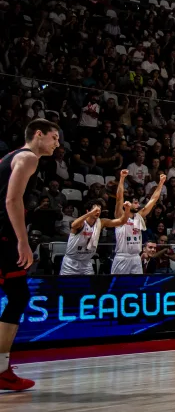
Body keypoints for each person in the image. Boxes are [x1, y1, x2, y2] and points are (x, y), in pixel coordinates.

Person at [0, 119, 60, 391]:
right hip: (4, 236)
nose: (57, 144)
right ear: (38, 134)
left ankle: (2, 367)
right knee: (18, 295)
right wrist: (22, 242)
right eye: (54, 138)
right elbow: (12, 200)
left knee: (18, 294)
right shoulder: (28, 158)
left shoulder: (11, 157)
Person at [62, 171, 131, 275]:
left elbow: (122, 221)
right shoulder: (81, 223)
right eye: (95, 210)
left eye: (99, 210)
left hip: (86, 263)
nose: (97, 212)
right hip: (71, 262)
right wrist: (89, 213)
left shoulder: (101, 222)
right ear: (88, 211)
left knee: (89, 289)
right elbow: (73, 225)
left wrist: (127, 210)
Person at [112, 173, 165, 274]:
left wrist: (161, 183)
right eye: (135, 202)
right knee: (118, 286)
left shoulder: (139, 216)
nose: (138, 205)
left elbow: (153, 200)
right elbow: (119, 198)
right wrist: (122, 178)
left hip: (136, 257)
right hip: (122, 257)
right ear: (128, 203)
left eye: (138, 202)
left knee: (137, 285)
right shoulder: (120, 216)